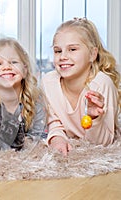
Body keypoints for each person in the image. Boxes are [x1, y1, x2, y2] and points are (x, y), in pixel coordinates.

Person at [42, 18, 121, 156]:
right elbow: (54, 122)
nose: (63, 56)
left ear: (92, 54)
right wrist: (57, 139)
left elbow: (104, 143)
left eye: (72, 49)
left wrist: (94, 118)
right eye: (57, 51)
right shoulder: (48, 82)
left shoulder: (102, 84)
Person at [0, 38, 48, 151]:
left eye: (13, 62)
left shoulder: (35, 100)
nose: (6, 67)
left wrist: (23, 141)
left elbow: (42, 135)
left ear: (25, 70)